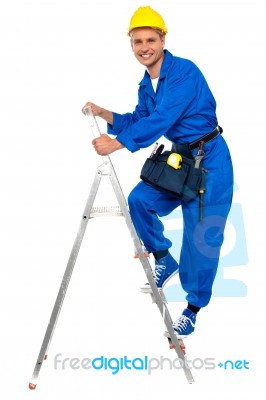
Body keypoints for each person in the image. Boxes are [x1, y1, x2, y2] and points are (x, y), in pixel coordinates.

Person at [82, 6, 233, 338]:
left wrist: (117, 144)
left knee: (200, 239)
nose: (144, 47)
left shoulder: (184, 73)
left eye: (151, 39)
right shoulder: (146, 83)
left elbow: (162, 119)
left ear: (163, 40)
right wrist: (105, 112)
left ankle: (192, 309)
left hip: (209, 163)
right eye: (137, 41)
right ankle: (163, 255)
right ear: (131, 45)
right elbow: (140, 118)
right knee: (139, 201)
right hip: (180, 159)